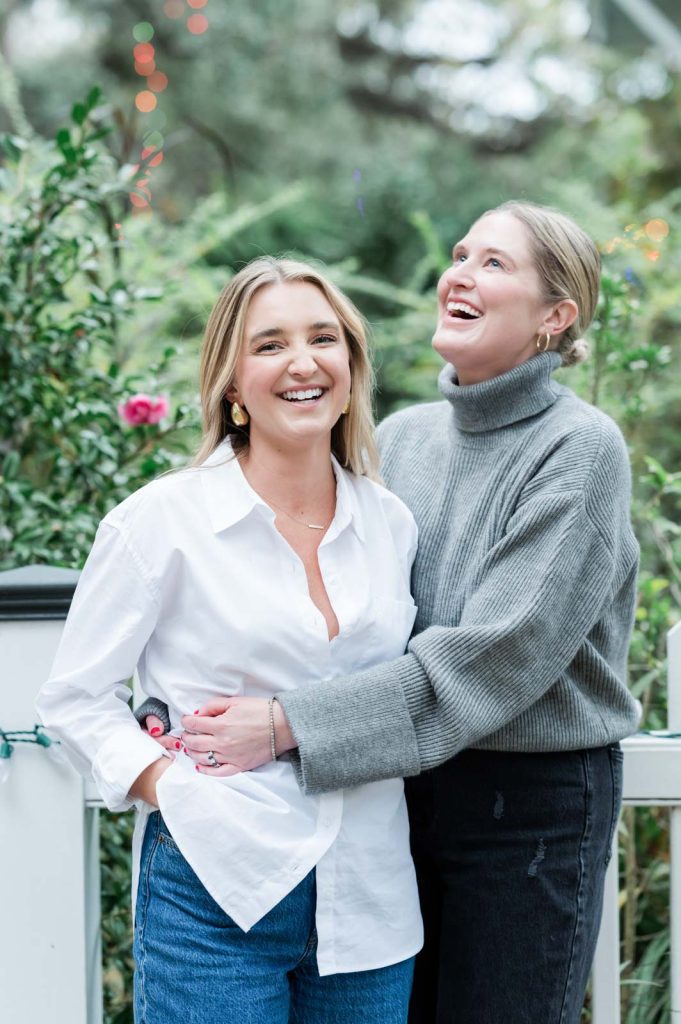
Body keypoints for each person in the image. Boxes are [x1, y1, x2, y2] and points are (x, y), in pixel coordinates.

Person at [139, 202, 641, 1024]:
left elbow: (498, 656)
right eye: (459, 253)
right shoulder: (404, 439)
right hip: (397, 789)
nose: (459, 275)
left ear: (556, 317)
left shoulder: (579, 448)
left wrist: (286, 723)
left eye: (493, 264)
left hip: (524, 812)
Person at [36, 257, 424, 1024]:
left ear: (350, 362)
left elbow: (406, 692)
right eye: (270, 345)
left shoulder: (391, 524)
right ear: (232, 383)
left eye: (324, 338)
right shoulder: (161, 522)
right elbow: (74, 698)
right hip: (216, 885)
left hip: (370, 899)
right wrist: (169, 790)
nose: (303, 363)